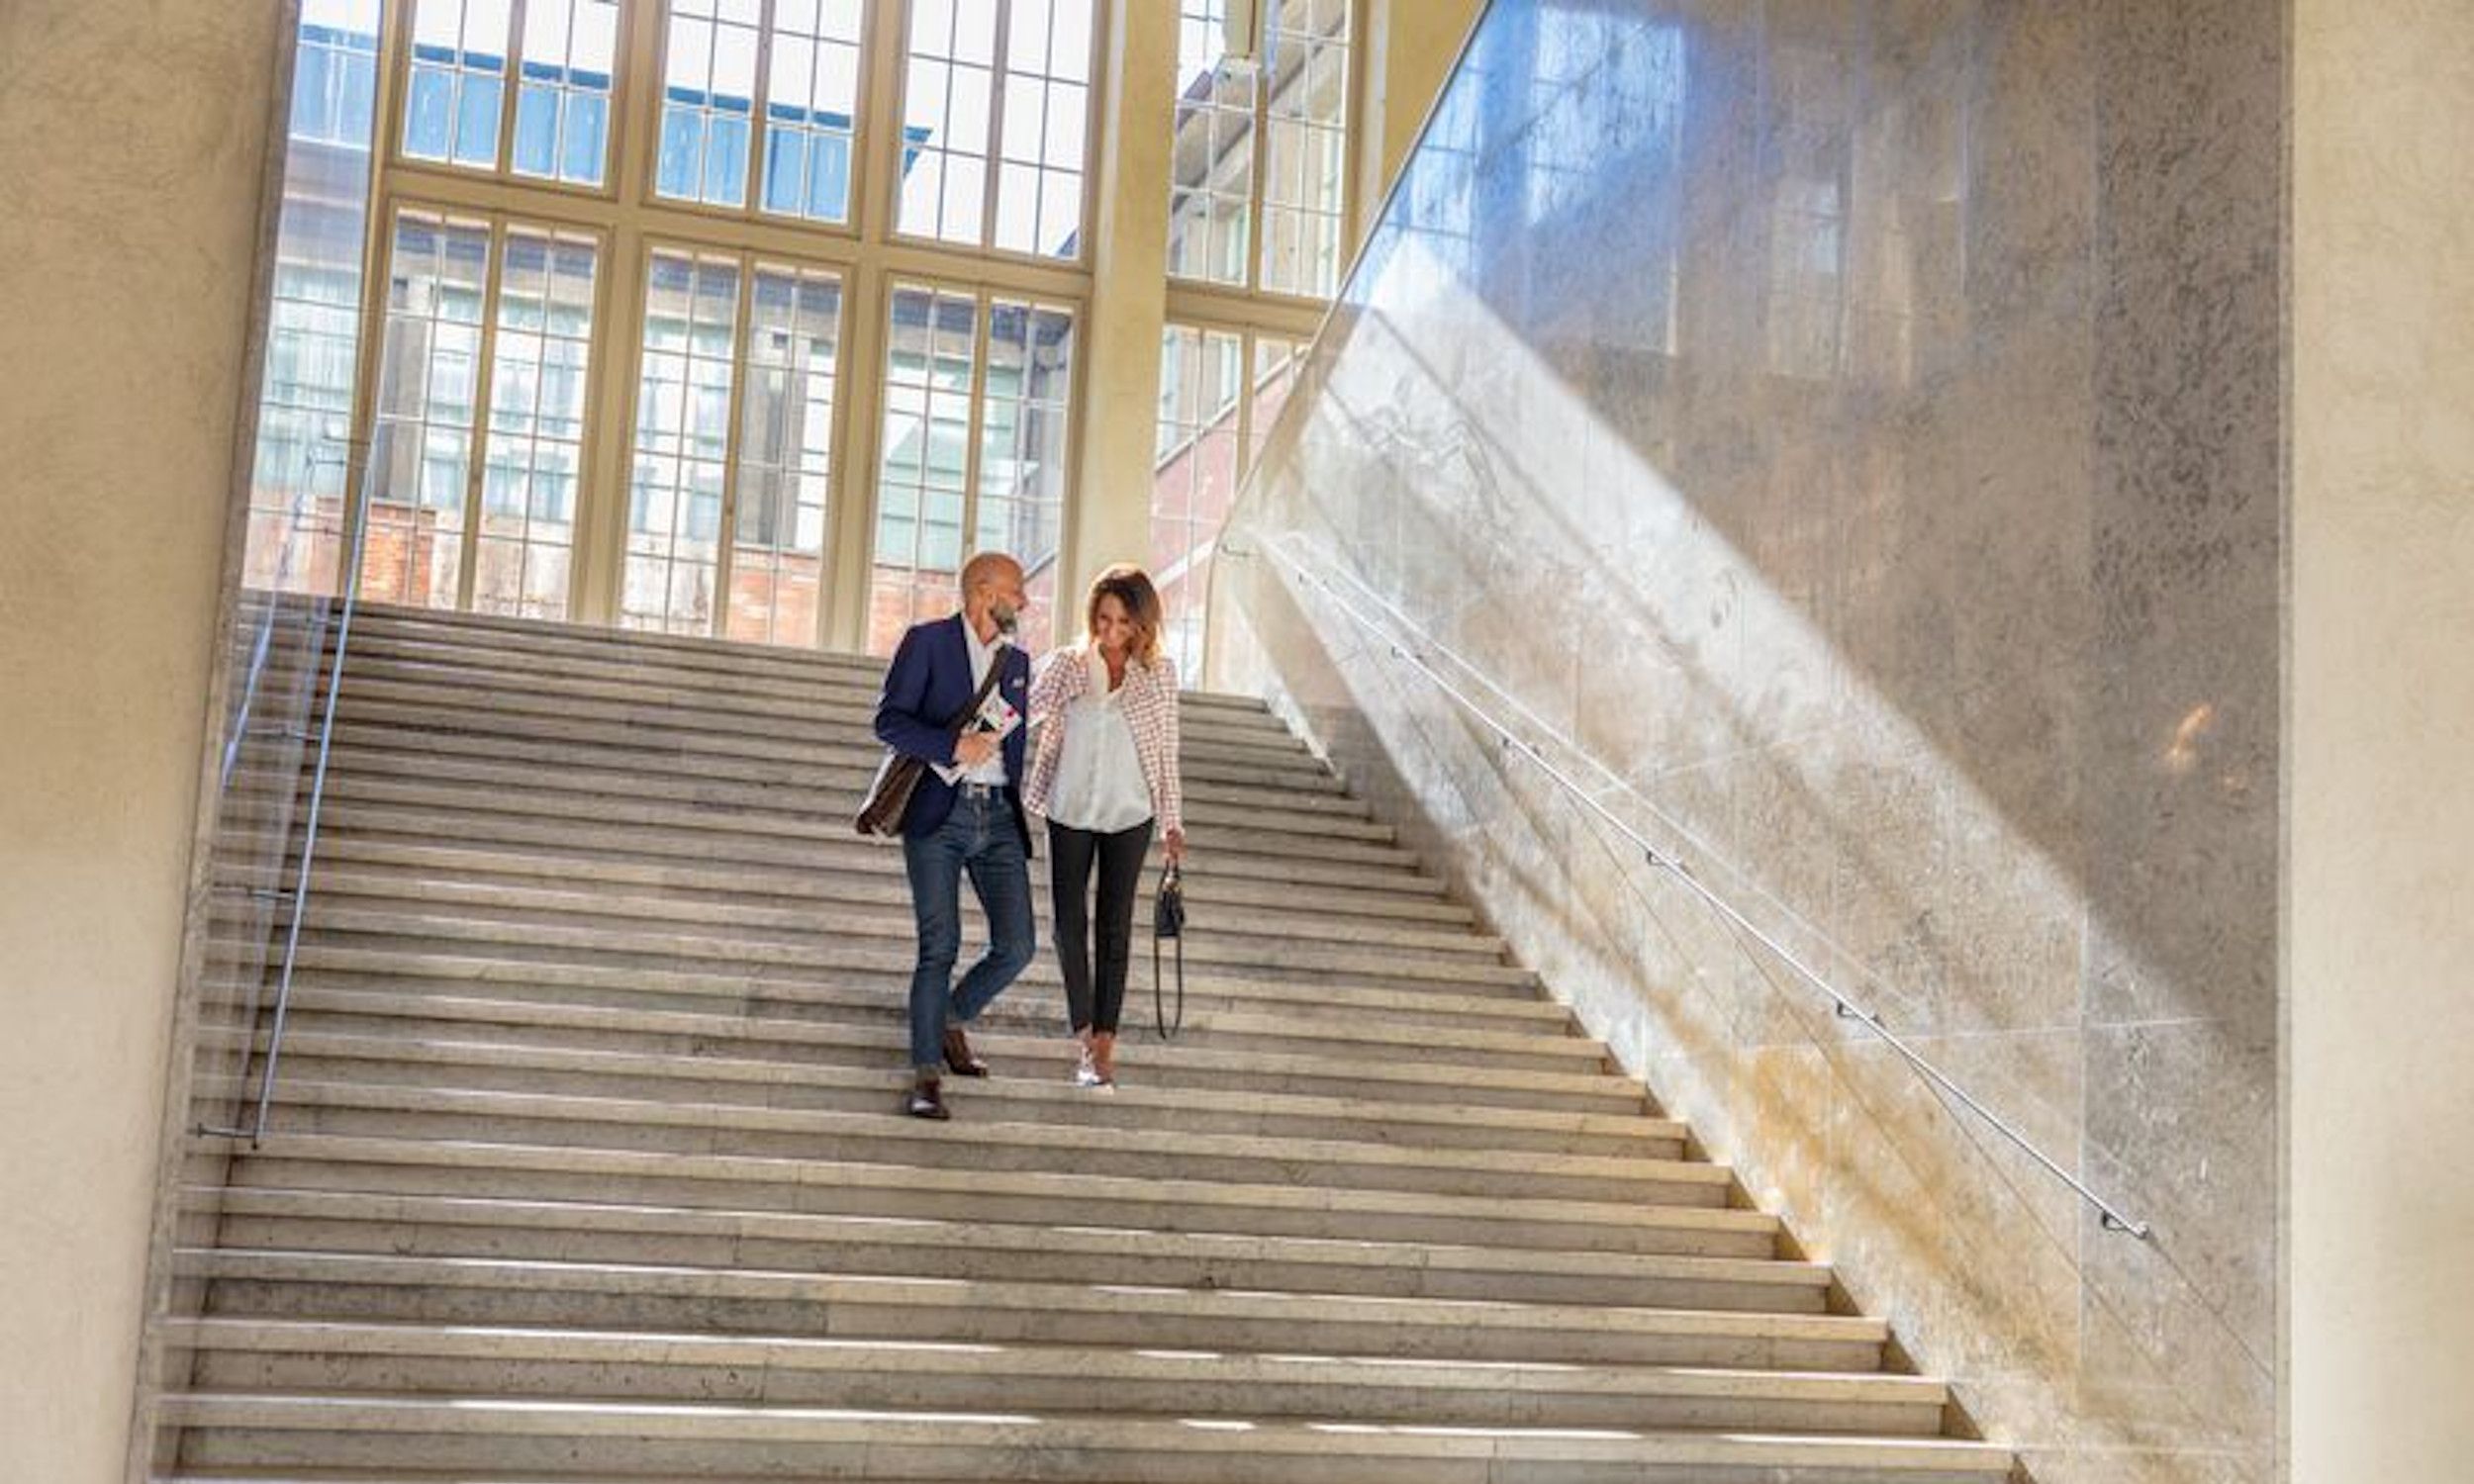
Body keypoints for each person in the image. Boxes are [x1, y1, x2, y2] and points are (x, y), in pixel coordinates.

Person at [873, 552, 1038, 1120]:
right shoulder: (927, 643)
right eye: (1017, 592)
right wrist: (951, 748)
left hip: (997, 816)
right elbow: (888, 721)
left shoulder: (1017, 662)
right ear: (985, 591)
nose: (1024, 602)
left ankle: (948, 1019)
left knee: (1017, 946)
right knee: (937, 948)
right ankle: (925, 1077)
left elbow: (1013, 742)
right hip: (937, 815)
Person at [1024, 564, 1186, 1089]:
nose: (1112, 631)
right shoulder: (1069, 664)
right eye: (1104, 618)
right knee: (1067, 924)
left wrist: (1172, 821)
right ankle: (1084, 1036)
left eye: (1124, 622)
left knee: (1114, 929)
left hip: (1129, 812)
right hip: (1069, 807)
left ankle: (1105, 1049)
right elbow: (1022, 712)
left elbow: (1166, 751)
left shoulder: (1159, 675)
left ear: (1144, 624)